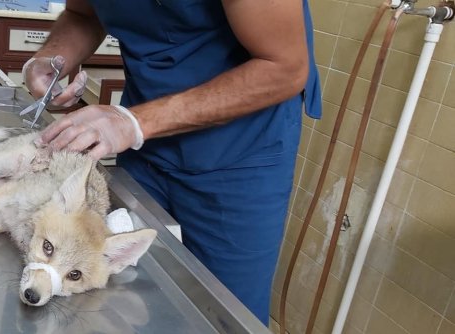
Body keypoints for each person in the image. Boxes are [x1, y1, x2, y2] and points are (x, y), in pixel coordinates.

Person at [23, 0, 322, 325]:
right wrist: (50, 59)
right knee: (132, 295)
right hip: (146, 139)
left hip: (240, 153)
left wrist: (135, 123)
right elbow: (83, 14)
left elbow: (285, 67)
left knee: (222, 313)